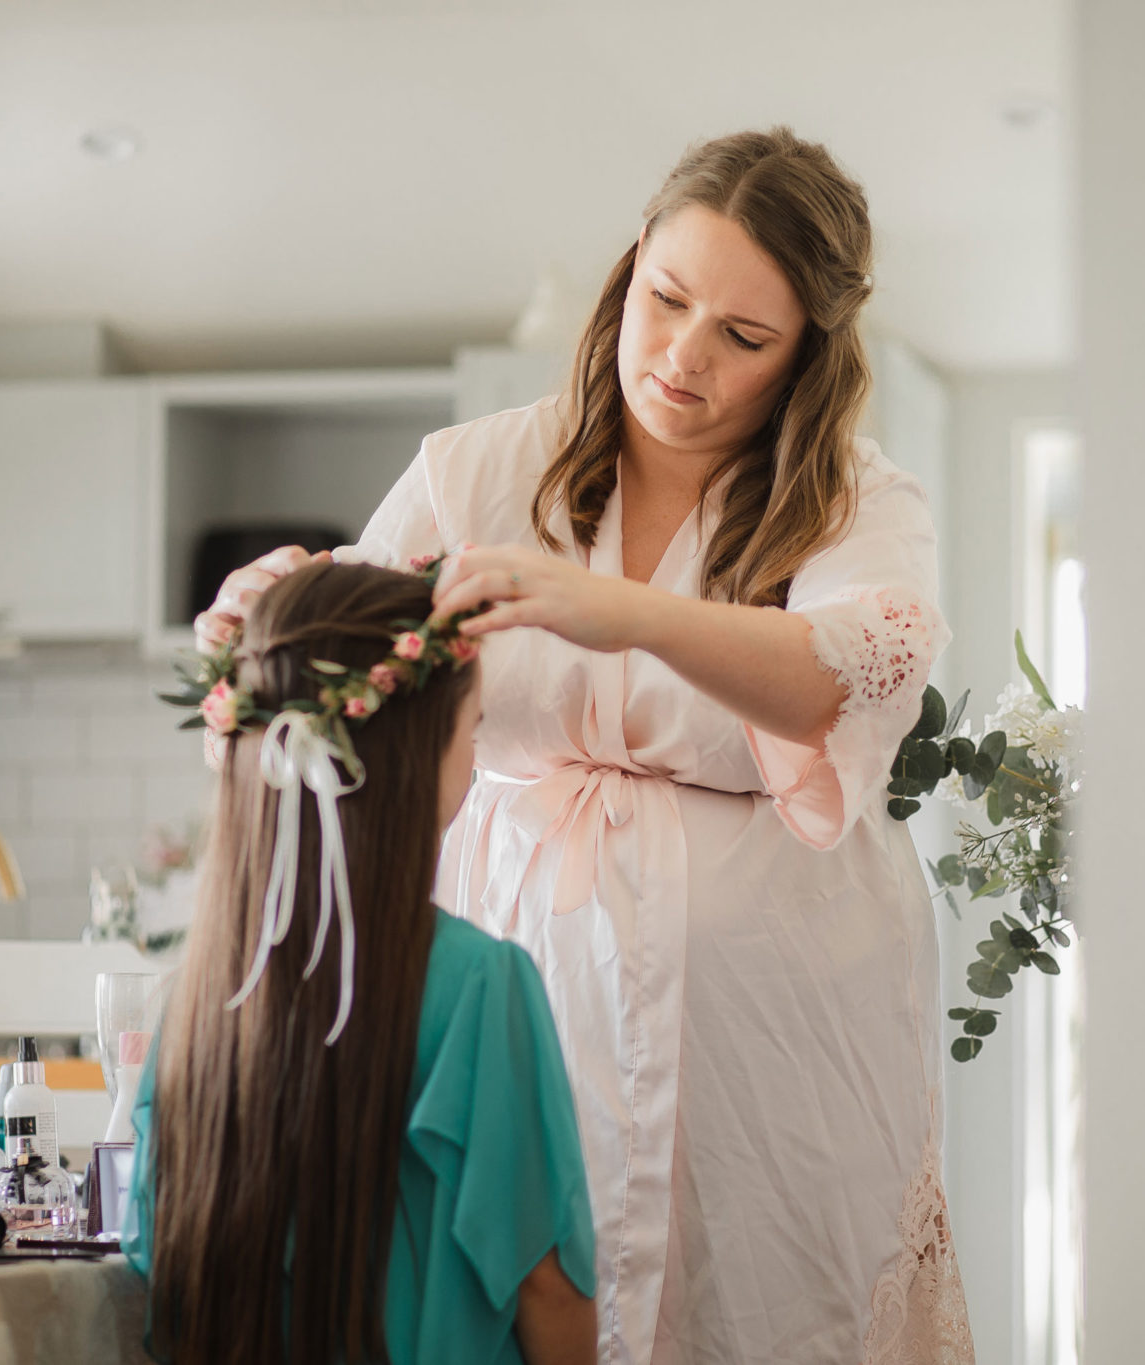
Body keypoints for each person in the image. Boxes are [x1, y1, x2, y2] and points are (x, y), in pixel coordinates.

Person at [200, 128, 973, 1364]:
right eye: (666, 301)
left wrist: (634, 618)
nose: (681, 357)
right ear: (629, 275)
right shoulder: (474, 471)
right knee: (536, 1290)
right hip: (520, 984)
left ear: (806, 360)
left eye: (743, 336)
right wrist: (266, 609)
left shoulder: (857, 501)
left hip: (777, 1023)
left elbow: (859, 665)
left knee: (775, 1305)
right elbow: (350, 652)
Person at [126, 560, 597, 1365]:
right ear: (415, 751)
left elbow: (148, 1254)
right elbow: (547, 1284)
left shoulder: (192, 1005)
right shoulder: (483, 986)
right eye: (472, 728)